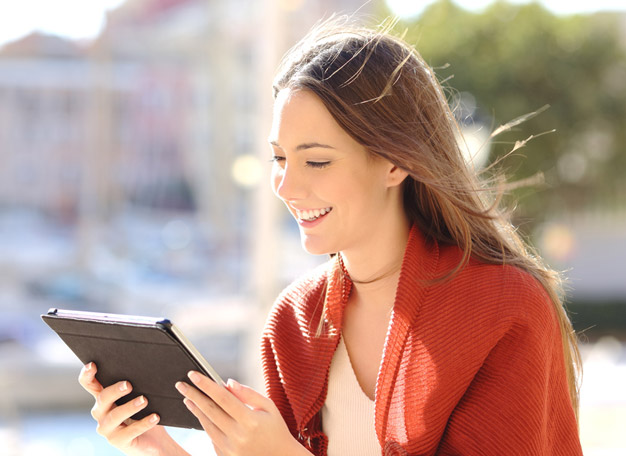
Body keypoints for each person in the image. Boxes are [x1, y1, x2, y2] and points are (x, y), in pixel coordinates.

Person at [77, 17, 583, 456]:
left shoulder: (505, 309)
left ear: (395, 161)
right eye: (279, 159)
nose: (286, 185)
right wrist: (158, 448)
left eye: (316, 160)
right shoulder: (294, 322)